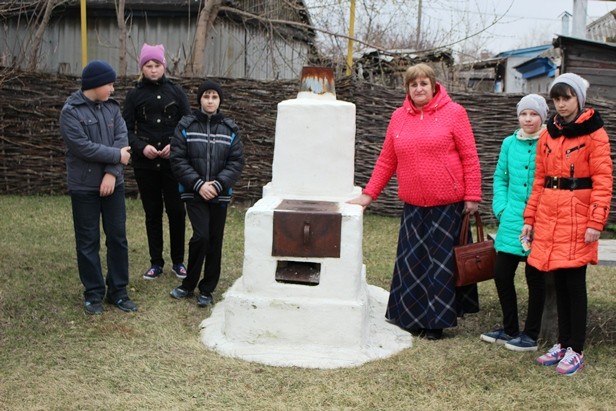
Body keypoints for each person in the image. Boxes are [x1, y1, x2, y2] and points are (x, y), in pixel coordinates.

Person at [349, 63, 482, 340]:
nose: (419, 88)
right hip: (413, 205)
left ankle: (435, 323)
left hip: (447, 204)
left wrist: (472, 196)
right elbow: (387, 159)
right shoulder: (398, 117)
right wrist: (368, 195)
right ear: (407, 89)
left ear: (434, 86)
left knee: (440, 265)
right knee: (413, 263)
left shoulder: (454, 113)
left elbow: (469, 156)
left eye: (424, 83)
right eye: (413, 84)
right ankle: (409, 316)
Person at [522, 73, 612, 375]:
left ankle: (576, 348)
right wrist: (530, 219)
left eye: (567, 98)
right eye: (557, 99)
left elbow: (603, 181)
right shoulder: (548, 134)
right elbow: (538, 180)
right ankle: (561, 343)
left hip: (578, 216)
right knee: (557, 281)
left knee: (575, 284)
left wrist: (595, 221)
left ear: (578, 100)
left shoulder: (594, 133)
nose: (561, 105)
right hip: (549, 214)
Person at [59, 60, 137, 315]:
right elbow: (82, 147)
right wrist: (116, 158)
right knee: (87, 241)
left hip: (113, 184)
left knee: (117, 238)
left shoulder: (113, 109)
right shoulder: (70, 112)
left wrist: (112, 175)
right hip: (84, 187)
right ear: (95, 84)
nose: (113, 89)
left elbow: (123, 142)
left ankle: (118, 291)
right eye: (110, 84)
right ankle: (93, 294)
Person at [480, 94, 548, 351]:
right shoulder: (509, 143)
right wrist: (502, 209)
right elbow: (500, 178)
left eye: (533, 114)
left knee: (535, 276)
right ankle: (509, 329)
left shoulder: (549, 142)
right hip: (511, 220)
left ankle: (530, 334)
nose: (528, 119)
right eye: (523, 114)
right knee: (501, 273)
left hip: (539, 220)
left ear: (542, 116)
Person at [169, 80, 244, 307]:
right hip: (194, 192)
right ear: (199, 99)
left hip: (219, 194)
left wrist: (218, 185)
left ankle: (207, 289)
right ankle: (188, 284)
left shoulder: (230, 128)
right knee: (200, 236)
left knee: (214, 240)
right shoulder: (186, 125)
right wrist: (200, 184)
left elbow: (236, 161)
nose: (210, 101)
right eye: (206, 97)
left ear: (219, 101)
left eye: (214, 97)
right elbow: (178, 159)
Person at [123, 43, 190, 280]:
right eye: (148, 66)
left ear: (164, 66)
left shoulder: (176, 92)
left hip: (173, 165)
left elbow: (188, 124)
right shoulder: (134, 95)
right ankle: (156, 262)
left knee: (176, 212)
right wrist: (142, 147)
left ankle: (179, 262)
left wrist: (176, 144)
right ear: (142, 68)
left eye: (157, 65)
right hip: (146, 165)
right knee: (152, 213)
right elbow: (126, 129)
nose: (153, 70)